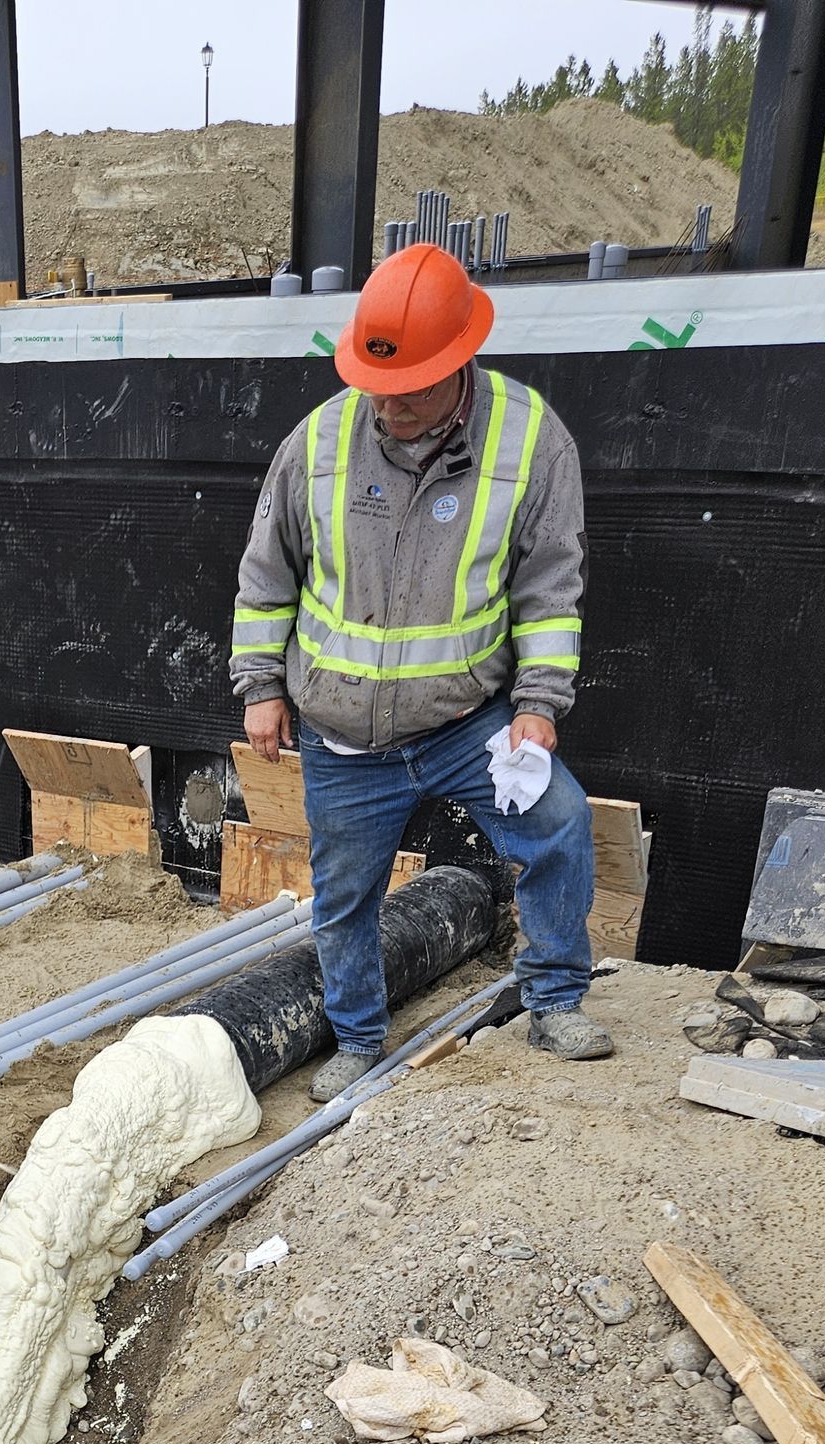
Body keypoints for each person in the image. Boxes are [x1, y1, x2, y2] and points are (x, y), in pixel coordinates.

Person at [230, 240, 610, 1099]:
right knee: (344, 896)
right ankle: (359, 1040)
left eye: (408, 392)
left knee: (560, 823)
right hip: (343, 733)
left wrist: (539, 705)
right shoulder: (318, 443)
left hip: (467, 722)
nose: (387, 406)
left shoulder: (531, 444)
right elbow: (267, 573)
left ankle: (553, 999)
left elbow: (551, 588)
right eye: (376, 385)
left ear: (459, 364)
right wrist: (259, 686)